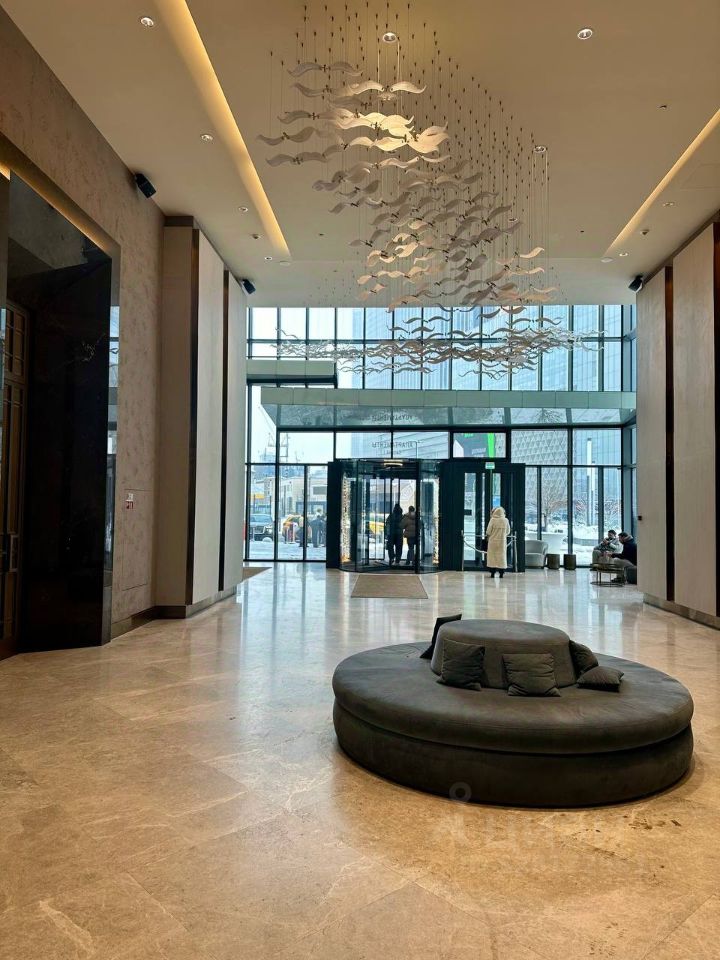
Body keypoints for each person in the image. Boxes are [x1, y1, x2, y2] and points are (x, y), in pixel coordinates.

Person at [485, 506, 510, 578]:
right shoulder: (506, 520)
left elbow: (488, 531)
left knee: (492, 557)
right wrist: (503, 535)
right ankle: (501, 573)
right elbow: (508, 531)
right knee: (501, 557)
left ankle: (492, 573)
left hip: (492, 541)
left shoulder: (492, 520)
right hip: (502, 542)